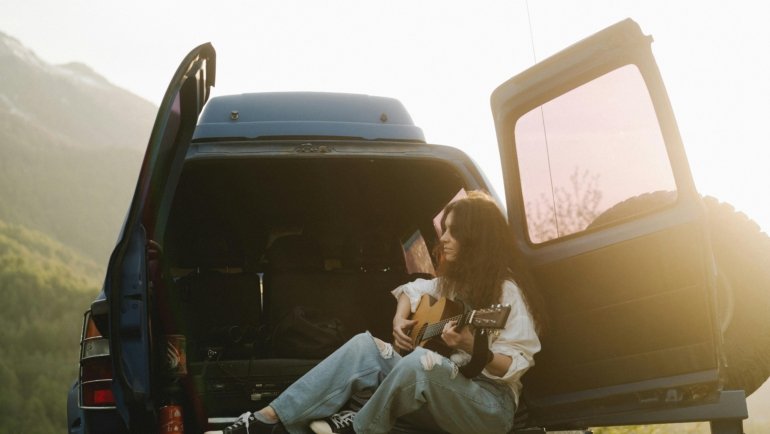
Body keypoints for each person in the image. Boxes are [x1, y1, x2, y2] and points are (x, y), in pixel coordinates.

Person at [207, 190, 544, 434]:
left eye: (455, 232)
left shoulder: (505, 291)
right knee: (364, 345)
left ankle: (358, 426)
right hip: (447, 394)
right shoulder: (457, 284)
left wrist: (473, 347)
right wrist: (400, 318)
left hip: (488, 407)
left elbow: (517, 362)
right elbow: (413, 289)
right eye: (446, 231)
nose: (445, 240)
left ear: (478, 238)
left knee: (418, 363)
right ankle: (265, 420)